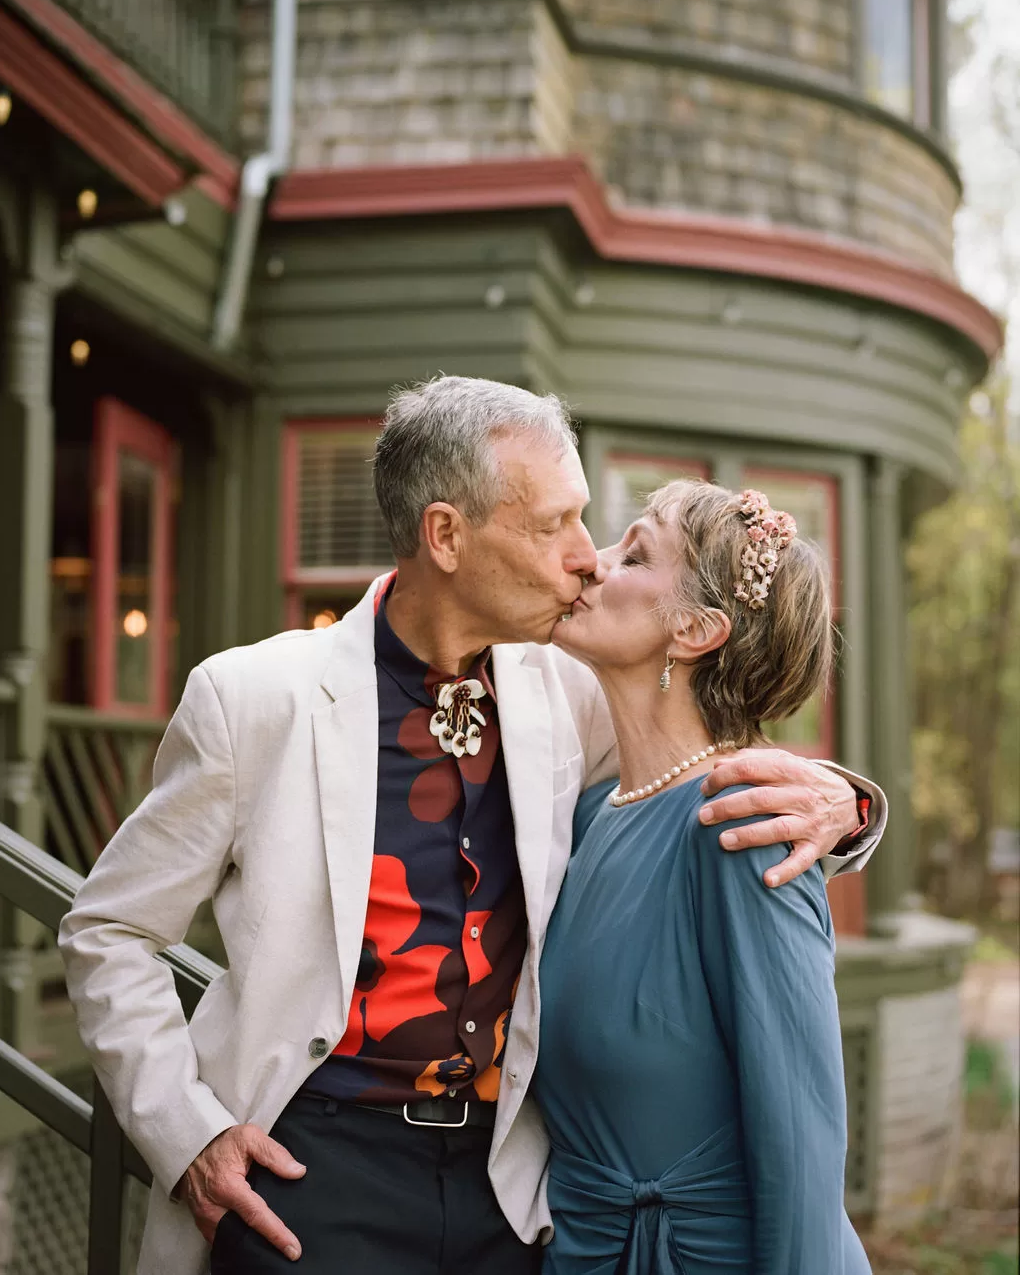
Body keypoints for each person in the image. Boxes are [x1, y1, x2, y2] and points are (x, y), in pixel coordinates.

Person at [59, 379, 884, 1275]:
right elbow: (109, 930)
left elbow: (703, 747)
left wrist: (848, 806)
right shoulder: (254, 701)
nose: (586, 559)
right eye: (552, 526)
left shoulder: (570, 691)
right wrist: (189, 1138)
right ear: (446, 535)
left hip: (515, 1189)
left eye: (589, 523)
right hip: (312, 1176)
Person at [535, 479, 872, 1274]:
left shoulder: (745, 827)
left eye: (635, 552)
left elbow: (802, 1142)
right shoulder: (590, 817)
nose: (593, 561)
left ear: (693, 629)